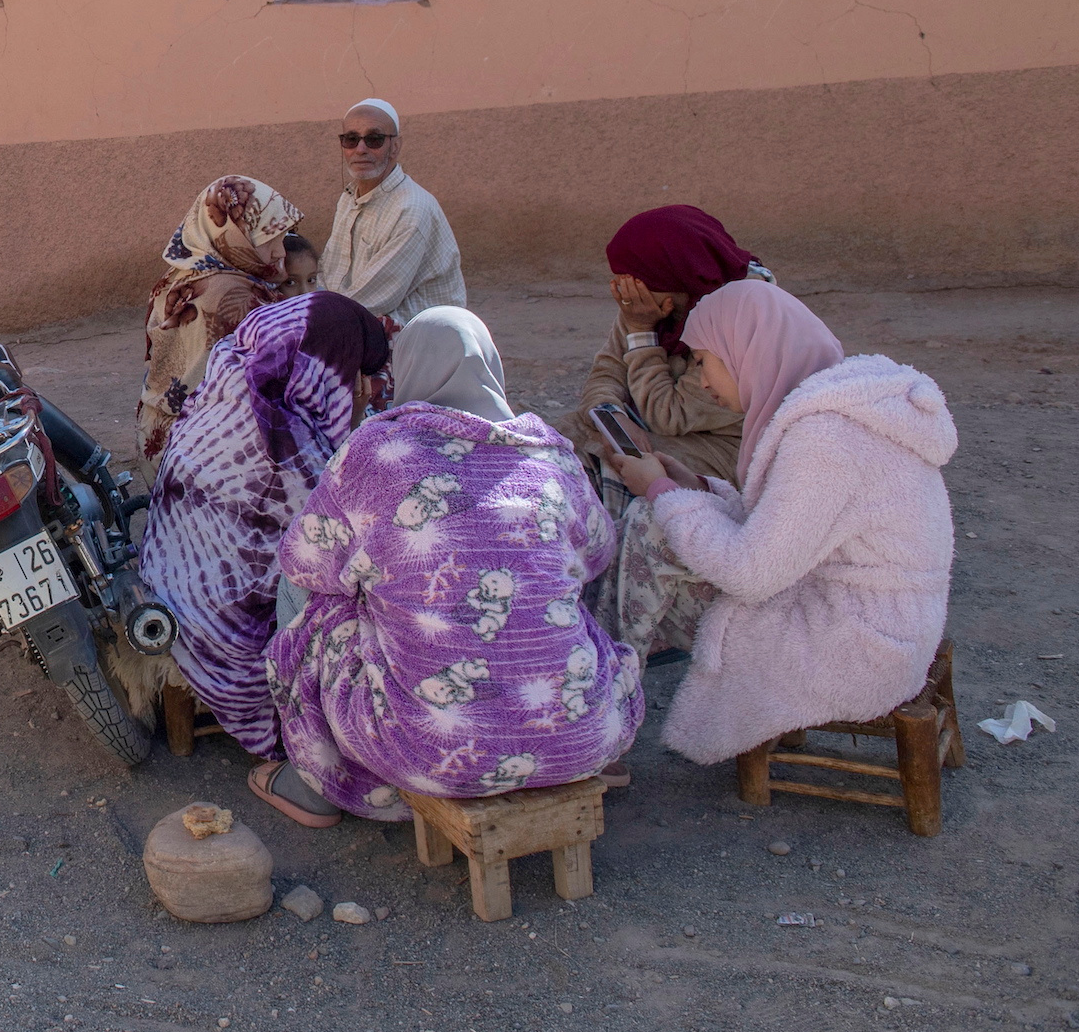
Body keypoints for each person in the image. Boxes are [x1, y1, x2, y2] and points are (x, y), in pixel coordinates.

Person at [253, 307, 641, 828]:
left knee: (317, 603)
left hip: (426, 756)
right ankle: (572, 750)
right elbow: (596, 555)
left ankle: (315, 776)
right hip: (587, 737)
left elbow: (303, 560)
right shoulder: (550, 454)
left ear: (406, 368)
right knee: (558, 594)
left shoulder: (377, 449)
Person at [608, 283, 956, 765]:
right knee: (658, 524)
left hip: (857, 655)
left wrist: (660, 493)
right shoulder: (843, 410)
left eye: (705, 359)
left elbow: (750, 574)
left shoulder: (824, 440)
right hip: (884, 630)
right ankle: (607, 695)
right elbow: (790, 528)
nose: (700, 379)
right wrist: (699, 488)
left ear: (748, 352)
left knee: (649, 528)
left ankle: (604, 712)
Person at [138, 291, 392, 760]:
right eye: (358, 375)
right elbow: (337, 551)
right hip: (227, 638)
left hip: (172, 593)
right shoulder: (285, 447)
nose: (363, 389)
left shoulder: (225, 389)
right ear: (327, 371)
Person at [558, 206, 768, 486]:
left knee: (616, 465)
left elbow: (667, 415)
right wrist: (612, 414)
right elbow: (607, 371)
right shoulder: (648, 304)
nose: (626, 289)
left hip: (724, 446)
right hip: (648, 424)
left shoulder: (739, 318)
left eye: (636, 278)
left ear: (671, 274)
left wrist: (641, 332)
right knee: (558, 437)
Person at [136, 176, 316, 462]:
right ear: (236, 236)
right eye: (271, 240)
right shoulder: (232, 294)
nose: (280, 252)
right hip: (202, 450)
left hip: (163, 434)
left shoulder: (181, 274)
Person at [315, 98, 465, 328]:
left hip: (416, 337)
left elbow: (374, 299)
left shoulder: (412, 208)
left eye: (374, 139)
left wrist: (311, 320)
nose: (361, 149)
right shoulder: (348, 198)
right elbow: (328, 273)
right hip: (357, 318)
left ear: (395, 146)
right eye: (351, 139)